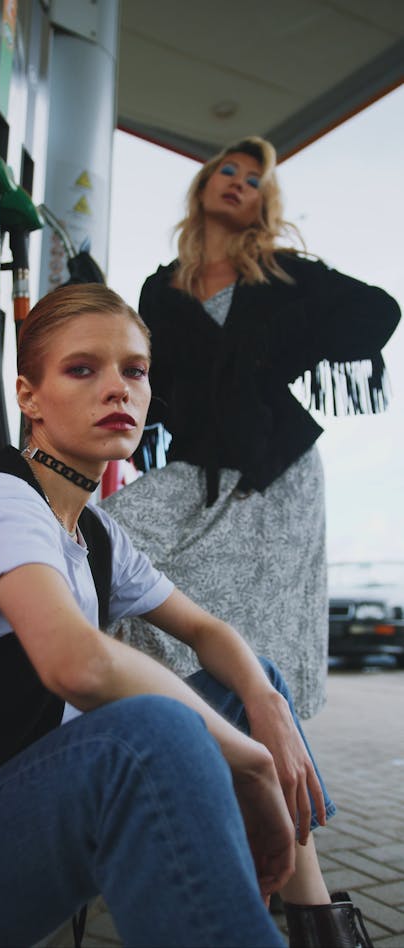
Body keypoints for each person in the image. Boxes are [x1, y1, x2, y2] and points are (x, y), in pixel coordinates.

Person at [0, 284, 373, 948]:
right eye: (82, 369)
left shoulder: (95, 534)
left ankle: (319, 924)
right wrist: (251, 762)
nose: (118, 389)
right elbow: (79, 663)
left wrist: (263, 700)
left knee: (248, 680)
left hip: (35, 815)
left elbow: (209, 633)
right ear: (28, 397)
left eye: (135, 370)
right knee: (148, 733)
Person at [102, 136, 401, 719]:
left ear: (262, 204)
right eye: (229, 170)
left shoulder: (281, 273)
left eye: (254, 180)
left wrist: (282, 350)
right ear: (205, 184)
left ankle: (257, 753)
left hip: (276, 472)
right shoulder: (160, 288)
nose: (239, 181)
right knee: (108, 537)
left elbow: (379, 310)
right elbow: (151, 381)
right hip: (198, 467)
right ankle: (167, 714)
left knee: (261, 627)